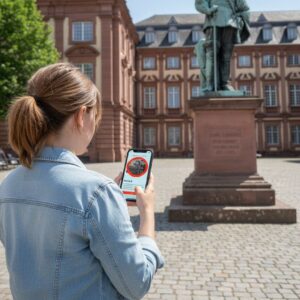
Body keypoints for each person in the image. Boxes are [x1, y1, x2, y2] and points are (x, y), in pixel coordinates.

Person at [0, 63, 164, 300]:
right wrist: (147, 214)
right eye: (95, 116)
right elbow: (137, 283)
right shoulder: (96, 193)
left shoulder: (8, 184)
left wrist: (108, 201)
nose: (95, 125)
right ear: (80, 115)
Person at [195, 0, 250, 92]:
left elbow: (245, 9)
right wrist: (208, 10)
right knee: (211, 54)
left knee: (226, 56)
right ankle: (211, 84)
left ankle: (225, 83)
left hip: (230, 22)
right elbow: (200, 2)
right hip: (213, 20)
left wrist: (240, 20)